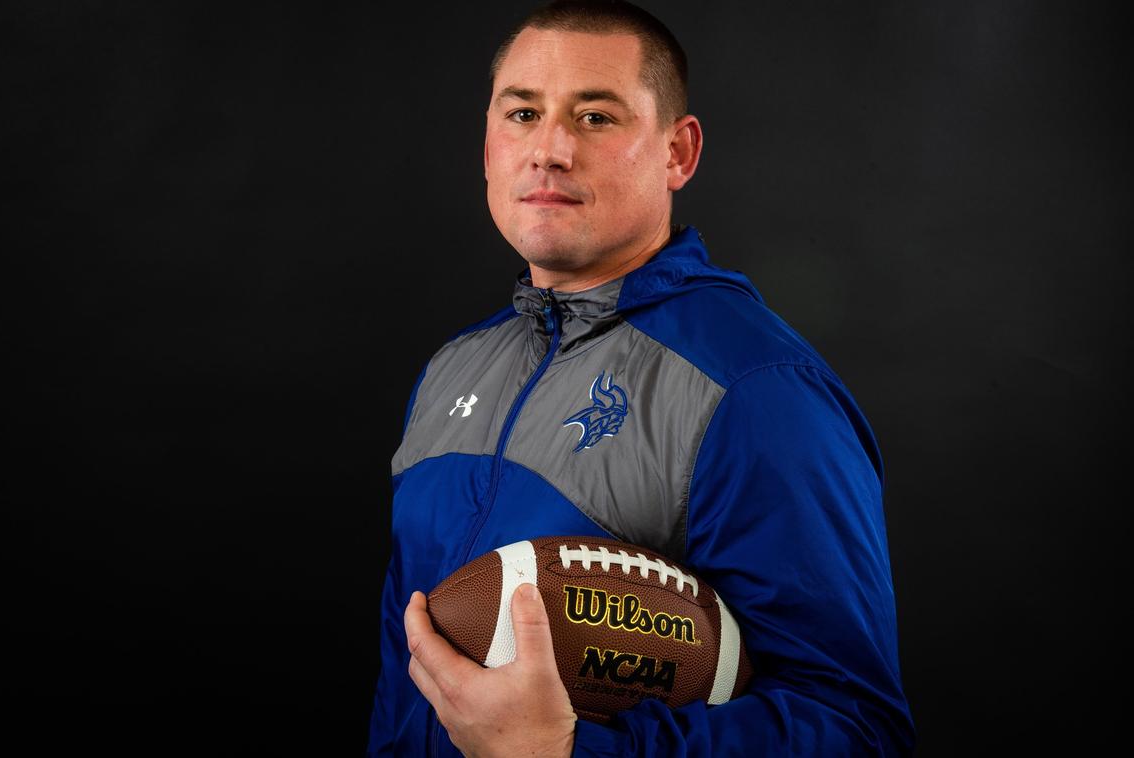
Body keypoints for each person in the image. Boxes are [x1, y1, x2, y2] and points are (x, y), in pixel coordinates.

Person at [367, 1, 915, 754]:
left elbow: (858, 731)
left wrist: (569, 752)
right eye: (522, 113)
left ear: (677, 153)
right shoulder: (451, 371)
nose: (550, 150)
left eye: (596, 118)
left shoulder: (757, 391)